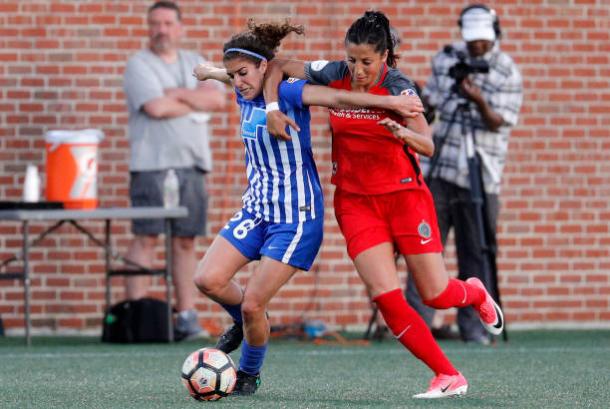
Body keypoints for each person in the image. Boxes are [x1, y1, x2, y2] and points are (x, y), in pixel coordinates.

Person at [263, 10, 505, 399]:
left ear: (386, 56)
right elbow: (275, 67)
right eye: (352, 60)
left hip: (404, 198)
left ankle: (474, 293)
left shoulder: (400, 88)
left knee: (435, 293)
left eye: (366, 62)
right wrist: (273, 109)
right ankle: (447, 375)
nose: (357, 70)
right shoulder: (333, 72)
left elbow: (428, 145)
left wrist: (402, 132)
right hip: (356, 203)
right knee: (386, 296)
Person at [191, 20, 424, 396]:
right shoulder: (244, 90)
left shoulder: (290, 91)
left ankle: (248, 374)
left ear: (264, 68)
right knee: (208, 280)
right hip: (257, 209)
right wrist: (211, 72)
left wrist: (391, 102)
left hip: (295, 217)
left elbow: (337, 99)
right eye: (232, 75)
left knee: (252, 301)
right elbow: (235, 76)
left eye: (243, 73)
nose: (237, 82)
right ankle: (249, 320)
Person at [405, 4, 523, 345]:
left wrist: (479, 100)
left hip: (480, 173)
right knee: (424, 247)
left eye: (483, 42)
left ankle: (476, 329)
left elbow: (499, 121)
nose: (476, 47)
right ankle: (416, 327)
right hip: (439, 165)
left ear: (495, 35)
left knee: (475, 252)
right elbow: (432, 109)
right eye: (472, 41)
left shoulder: (507, 72)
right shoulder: (446, 60)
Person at [122, 1, 226, 340]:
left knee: (185, 241)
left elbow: (217, 100)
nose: (161, 29)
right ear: (148, 27)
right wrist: (192, 98)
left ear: (179, 28)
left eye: (168, 23)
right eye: (156, 23)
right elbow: (154, 107)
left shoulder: (195, 62)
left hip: (192, 165)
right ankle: (135, 313)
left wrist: (178, 95)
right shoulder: (139, 65)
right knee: (146, 237)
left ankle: (187, 317)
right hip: (151, 166)